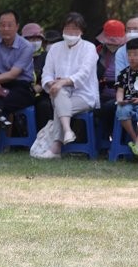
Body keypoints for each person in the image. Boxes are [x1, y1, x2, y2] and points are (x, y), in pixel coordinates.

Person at [39, 12, 99, 158]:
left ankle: (56, 147)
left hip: (84, 95)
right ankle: (67, 131)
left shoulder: (89, 48)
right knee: (60, 95)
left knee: (60, 103)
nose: (71, 32)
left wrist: (63, 82)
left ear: (82, 31)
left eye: (75, 29)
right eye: (67, 28)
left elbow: (84, 74)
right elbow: (46, 73)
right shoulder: (55, 48)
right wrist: (51, 82)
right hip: (58, 93)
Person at [0, 10, 36, 139]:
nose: (5, 28)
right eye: (2, 25)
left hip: (21, 85)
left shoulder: (27, 46)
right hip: (0, 83)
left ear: (17, 26)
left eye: (10, 25)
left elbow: (13, 74)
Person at [95, 19, 127, 141]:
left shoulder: (129, 53)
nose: (112, 45)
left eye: (115, 43)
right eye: (109, 42)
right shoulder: (98, 51)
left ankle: (118, 140)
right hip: (101, 93)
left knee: (108, 108)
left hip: (122, 95)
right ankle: (100, 141)